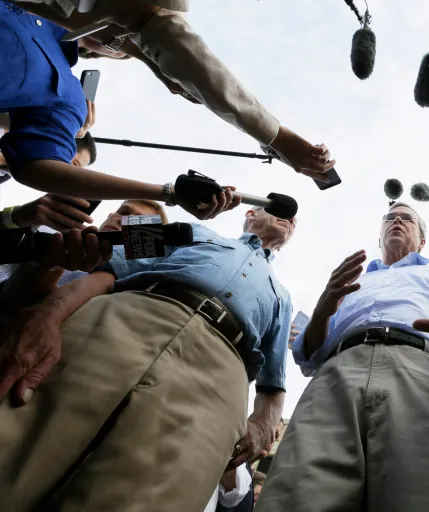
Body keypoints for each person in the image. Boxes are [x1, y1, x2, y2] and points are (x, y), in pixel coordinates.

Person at [0, 206, 296, 511]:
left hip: (223, 374)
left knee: (153, 495)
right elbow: (105, 272)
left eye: (294, 221)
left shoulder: (283, 298)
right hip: (125, 317)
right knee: (18, 441)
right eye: (278, 211)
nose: (289, 218)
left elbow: (274, 380)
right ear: (250, 212)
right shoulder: (191, 230)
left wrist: (264, 423)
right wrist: (49, 313)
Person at [258, 202, 429, 511]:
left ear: (422, 240)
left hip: (424, 372)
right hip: (336, 374)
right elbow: (310, 356)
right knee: (299, 491)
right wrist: (324, 309)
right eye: (389, 218)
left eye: (407, 218)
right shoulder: (350, 282)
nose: (397, 221)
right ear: (379, 236)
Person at [14, 0, 337, 182]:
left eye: (119, 43)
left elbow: (145, 26)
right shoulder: (42, 13)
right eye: (118, 40)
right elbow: (151, 25)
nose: (124, 41)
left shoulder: (66, 92)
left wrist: (147, 57)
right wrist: (277, 136)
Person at [0, 3, 238, 219]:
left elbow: (39, 166)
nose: (125, 25)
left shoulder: (69, 96)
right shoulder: (50, 7)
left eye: (133, 38)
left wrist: (169, 193)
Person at [0, 199, 168, 309]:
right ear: (110, 215)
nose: (123, 220)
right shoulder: (48, 233)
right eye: (123, 212)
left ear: (149, 241)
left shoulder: (134, 284)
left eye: (138, 222)